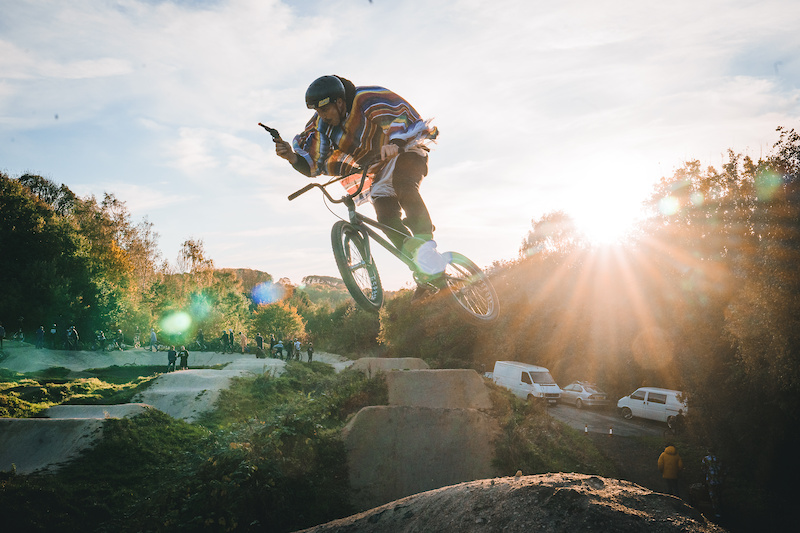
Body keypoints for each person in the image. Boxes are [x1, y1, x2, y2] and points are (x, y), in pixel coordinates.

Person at [274, 75, 445, 297]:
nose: (323, 116)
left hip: (407, 151)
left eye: (325, 110)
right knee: (385, 216)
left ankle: (426, 243)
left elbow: (397, 115)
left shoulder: (366, 99)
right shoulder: (322, 126)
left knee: (403, 184)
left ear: (339, 102)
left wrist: (395, 143)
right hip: (380, 169)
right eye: (317, 111)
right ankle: (422, 268)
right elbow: (314, 162)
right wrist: (291, 157)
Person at [702, 449, 723, 518]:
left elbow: (704, 470)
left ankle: (716, 511)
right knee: (718, 495)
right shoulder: (718, 459)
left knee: (713, 496)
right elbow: (721, 469)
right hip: (718, 480)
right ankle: (720, 510)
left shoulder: (705, 459)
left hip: (710, 479)